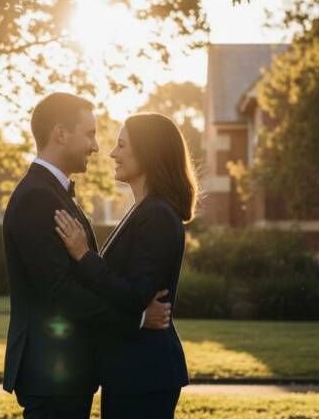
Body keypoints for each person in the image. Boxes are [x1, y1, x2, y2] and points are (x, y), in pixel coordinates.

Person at [2, 93, 172, 419]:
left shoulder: (52, 193)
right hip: (51, 373)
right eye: (90, 134)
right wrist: (136, 319)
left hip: (64, 373)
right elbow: (60, 291)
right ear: (60, 133)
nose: (96, 147)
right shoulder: (37, 198)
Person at [54, 112, 195, 418]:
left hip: (144, 373)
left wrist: (83, 255)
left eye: (121, 145)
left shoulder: (157, 215)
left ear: (147, 151)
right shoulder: (144, 209)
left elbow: (135, 295)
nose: (112, 153)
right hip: (132, 370)